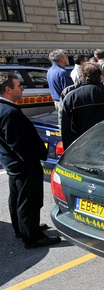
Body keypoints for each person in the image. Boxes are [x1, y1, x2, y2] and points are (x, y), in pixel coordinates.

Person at [0, 72, 60, 248]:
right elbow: (17, 142)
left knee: (17, 197)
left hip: (12, 162)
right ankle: (33, 237)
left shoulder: (4, 107)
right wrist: (31, 160)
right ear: (9, 89)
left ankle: (22, 228)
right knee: (29, 200)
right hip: (23, 164)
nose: (22, 88)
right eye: (19, 86)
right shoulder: (9, 112)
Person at [46, 49, 73, 121]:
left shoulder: (50, 70)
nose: (67, 58)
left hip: (57, 102)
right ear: (61, 59)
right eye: (65, 56)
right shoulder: (61, 72)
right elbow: (70, 91)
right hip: (64, 103)